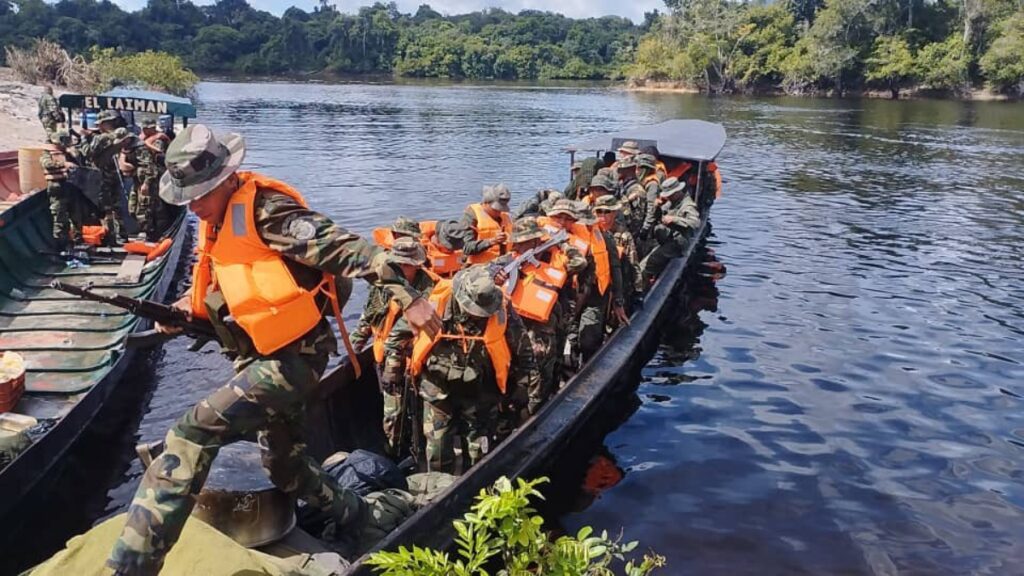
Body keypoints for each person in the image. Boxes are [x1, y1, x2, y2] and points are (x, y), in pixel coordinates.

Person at [106, 124, 442, 576]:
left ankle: (130, 566)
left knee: (192, 432)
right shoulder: (217, 220)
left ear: (226, 179)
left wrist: (410, 296)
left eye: (200, 194)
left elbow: (347, 248)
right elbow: (229, 284)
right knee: (286, 468)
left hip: (295, 359)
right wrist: (182, 311)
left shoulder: (268, 211)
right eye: (188, 198)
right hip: (262, 355)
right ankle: (361, 517)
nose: (194, 206)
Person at [408, 265, 539, 474]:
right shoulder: (433, 302)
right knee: (438, 443)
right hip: (437, 386)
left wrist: (523, 386)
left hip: (479, 391)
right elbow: (401, 335)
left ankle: (477, 483)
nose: (479, 316)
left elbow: (523, 349)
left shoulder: (502, 310)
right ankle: (440, 485)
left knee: (479, 445)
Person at [499, 217, 585, 414]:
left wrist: (564, 245)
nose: (520, 246)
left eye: (525, 242)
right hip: (518, 325)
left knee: (546, 365)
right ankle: (524, 410)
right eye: (518, 242)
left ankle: (538, 407)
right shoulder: (510, 260)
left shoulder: (554, 255)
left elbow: (579, 263)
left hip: (547, 322)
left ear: (536, 240)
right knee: (525, 369)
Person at [367, 238, 437, 459]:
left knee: (412, 410)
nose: (402, 268)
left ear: (417, 265)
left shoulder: (429, 289)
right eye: (397, 264)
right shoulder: (383, 285)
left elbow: (403, 330)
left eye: (407, 264)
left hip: (410, 361)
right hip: (384, 356)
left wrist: (393, 366)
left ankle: (413, 454)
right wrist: (354, 345)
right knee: (392, 412)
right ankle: (394, 454)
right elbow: (369, 316)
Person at [571, 201, 626, 362]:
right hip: (571, 296)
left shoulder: (604, 237)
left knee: (588, 338)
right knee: (569, 334)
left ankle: (587, 364)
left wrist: (618, 301)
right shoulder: (564, 237)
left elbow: (615, 268)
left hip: (596, 294)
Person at [83, 111, 134, 245]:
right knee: (116, 206)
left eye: (100, 124)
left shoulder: (102, 138)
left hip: (102, 177)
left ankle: (110, 237)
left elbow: (88, 153)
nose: (98, 127)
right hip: (113, 175)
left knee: (106, 208)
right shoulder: (119, 135)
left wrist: (84, 139)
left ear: (105, 124)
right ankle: (123, 235)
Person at [640, 177, 701, 286]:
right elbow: (659, 216)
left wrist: (674, 219)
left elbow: (695, 223)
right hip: (667, 238)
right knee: (644, 249)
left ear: (677, 192)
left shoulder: (688, 206)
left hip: (678, 243)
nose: (668, 197)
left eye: (670, 195)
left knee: (649, 263)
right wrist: (657, 207)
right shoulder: (672, 202)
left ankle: (641, 288)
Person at [121, 119, 169, 240]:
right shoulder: (138, 141)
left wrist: (147, 183)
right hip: (137, 180)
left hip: (150, 179)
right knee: (132, 208)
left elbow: (154, 159)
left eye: (150, 128)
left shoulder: (158, 140)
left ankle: (149, 233)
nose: (147, 130)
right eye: (146, 128)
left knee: (145, 208)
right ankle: (145, 230)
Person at [593, 195, 642, 311]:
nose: (602, 216)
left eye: (607, 212)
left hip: (618, 283)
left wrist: (638, 291)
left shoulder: (624, 236)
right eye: (599, 211)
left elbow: (634, 264)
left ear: (614, 213)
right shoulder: (592, 233)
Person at [39, 130, 81, 249]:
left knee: (76, 215)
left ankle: (77, 241)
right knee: (60, 217)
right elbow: (47, 164)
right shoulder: (47, 153)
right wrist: (63, 164)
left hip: (70, 187)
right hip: (57, 188)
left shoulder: (67, 153)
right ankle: (62, 245)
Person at [460, 184, 513, 265]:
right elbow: (466, 248)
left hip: (504, 265)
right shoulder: (471, 215)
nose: (499, 212)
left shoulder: (505, 215)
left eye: (502, 209)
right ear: (486, 203)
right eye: (496, 209)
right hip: (478, 268)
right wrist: (491, 241)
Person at [633, 153, 662, 248]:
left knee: (642, 247)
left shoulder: (652, 184)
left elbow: (651, 208)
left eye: (639, 168)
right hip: (639, 221)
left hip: (646, 226)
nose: (637, 171)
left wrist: (645, 228)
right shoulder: (643, 181)